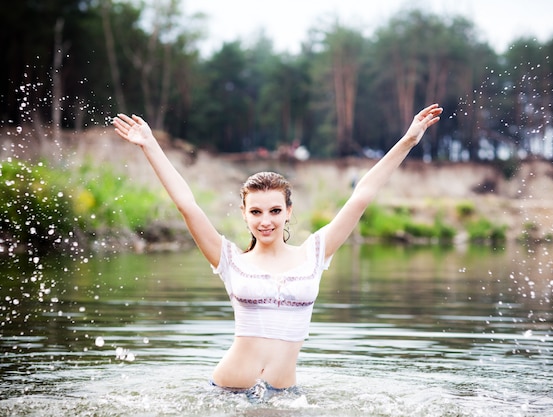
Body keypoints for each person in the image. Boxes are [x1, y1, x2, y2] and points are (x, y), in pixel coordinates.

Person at [111, 104, 442, 398]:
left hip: (285, 398)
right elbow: (187, 205)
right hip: (225, 394)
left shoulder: (314, 253)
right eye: (255, 212)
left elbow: (361, 196)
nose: (265, 221)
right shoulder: (230, 260)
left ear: (287, 211)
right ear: (244, 213)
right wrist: (150, 145)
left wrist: (408, 141)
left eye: (273, 211)